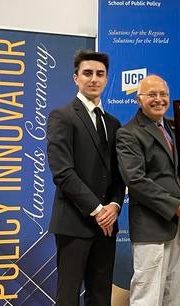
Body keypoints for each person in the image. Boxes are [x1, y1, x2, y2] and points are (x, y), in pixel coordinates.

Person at [47, 50, 125, 306]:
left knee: (101, 295)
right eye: (87, 73)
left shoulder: (114, 124)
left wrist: (113, 206)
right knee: (68, 296)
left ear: (106, 79)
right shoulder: (62, 116)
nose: (94, 79)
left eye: (100, 74)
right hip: (74, 223)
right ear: (75, 78)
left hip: (107, 225)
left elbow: (118, 175)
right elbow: (63, 173)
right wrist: (97, 209)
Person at [116, 74, 180, 306]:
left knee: (177, 295)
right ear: (138, 99)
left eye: (163, 95)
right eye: (152, 95)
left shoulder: (173, 126)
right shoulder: (129, 133)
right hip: (152, 226)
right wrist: (174, 206)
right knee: (147, 297)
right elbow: (135, 180)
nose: (159, 99)